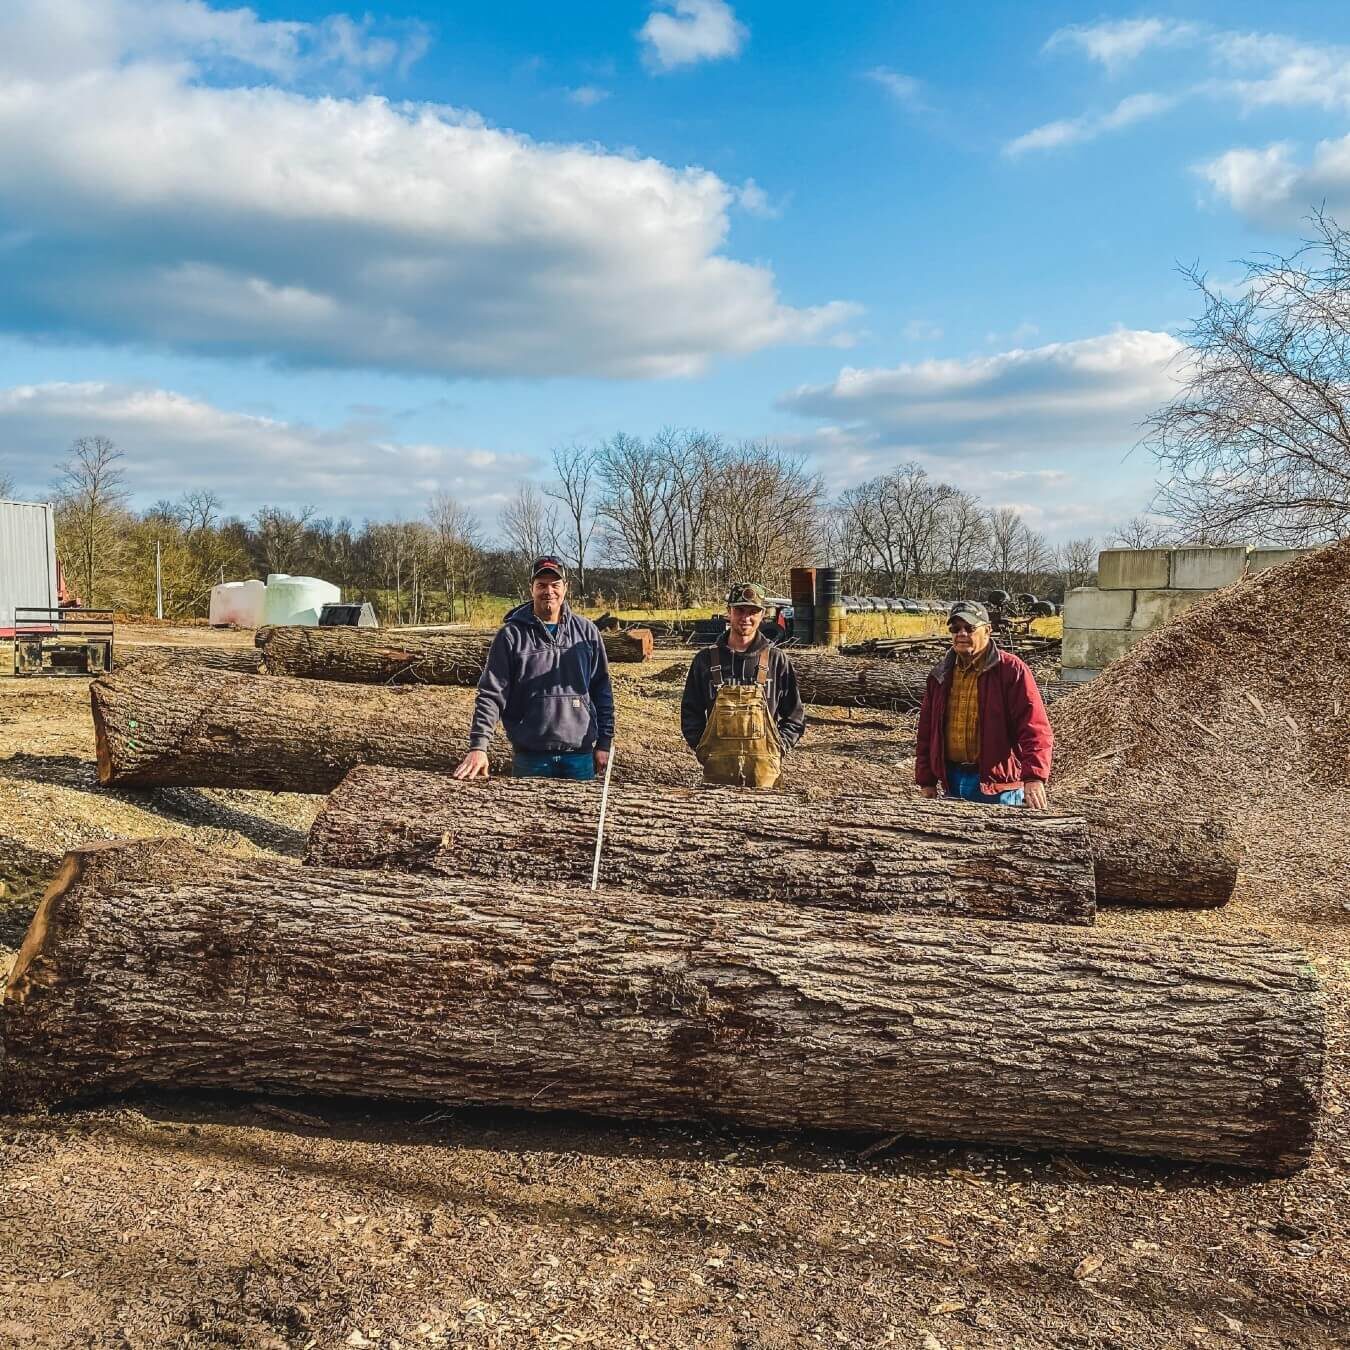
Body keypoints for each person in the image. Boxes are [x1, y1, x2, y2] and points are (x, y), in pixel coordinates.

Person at [453, 556, 614, 781]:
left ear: (565, 588)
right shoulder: (511, 636)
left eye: (555, 585)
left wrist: (605, 742)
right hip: (530, 759)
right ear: (532, 589)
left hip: (579, 757)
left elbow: (602, 690)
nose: (549, 591)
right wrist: (479, 747)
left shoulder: (587, 633)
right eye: (542, 585)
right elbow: (491, 694)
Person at [915, 600, 1051, 807]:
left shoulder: (1010, 670)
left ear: (987, 630)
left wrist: (1033, 777)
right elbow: (926, 732)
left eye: (969, 628)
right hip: (952, 781)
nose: (961, 633)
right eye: (955, 628)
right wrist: (927, 781)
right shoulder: (941, 675)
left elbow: (1034, 728)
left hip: (998, 788)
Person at [681, 582, 806, 788]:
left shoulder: (776, 660)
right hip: (716, 777)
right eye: (739, 610)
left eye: (753, 611)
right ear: (728, 612)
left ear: (762, 614)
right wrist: (703, 750)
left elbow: (795, 717)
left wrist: (778, 748)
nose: (745, 618)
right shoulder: (705, 660)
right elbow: (690, 713)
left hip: (765, 776)